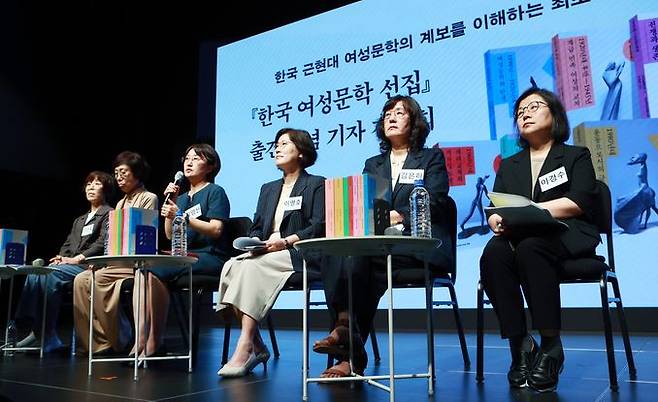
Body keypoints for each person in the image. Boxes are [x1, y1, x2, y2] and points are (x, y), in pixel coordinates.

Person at [314, 95, 452, 378]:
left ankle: (347, 345)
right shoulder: (373, 163)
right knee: (338, 253)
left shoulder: (430, 157)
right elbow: (365, 202)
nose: (391, 117)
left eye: (399, 112)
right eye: (387, 112)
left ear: (414, 121)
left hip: (417, 243)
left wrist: (398, 215)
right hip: (379, 245)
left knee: (363, 262)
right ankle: (346, 337)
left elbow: (436, 200)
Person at [480, 87, 600, 392]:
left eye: (533, 107)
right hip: (520, 235)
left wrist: (531, 211)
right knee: (493, 254)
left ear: (555, 114)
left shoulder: (575, 155)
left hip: (565, 232)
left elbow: (578, 202)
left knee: (532, 248)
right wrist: (495, 219)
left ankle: (550, 345)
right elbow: (496, 208)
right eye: (520, 112)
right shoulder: (509, 164)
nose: (525, 114)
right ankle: (520, 345)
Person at [216, 128, 324, 377]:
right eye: (276, 144)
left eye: (284, 144)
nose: (277, 148)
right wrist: (254, 241)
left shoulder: (316, 184)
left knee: (250, 267)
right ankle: (258, 345)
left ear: (301, 151)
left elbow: (318, 225)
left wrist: (285, 242)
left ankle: (245, 346)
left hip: (298, 252)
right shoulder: (268, 188)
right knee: (232, 265)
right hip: (267, 251)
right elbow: (257, 226)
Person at [131, 144, 231, 357]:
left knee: (156, 270)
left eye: (196, 158)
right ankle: (141, 338)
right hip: (184, 254)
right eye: (187, 158)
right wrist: (172, 208)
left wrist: (183, 216)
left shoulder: (215, 192)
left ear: (210, 166)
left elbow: (216, 229)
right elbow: (169, 235)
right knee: (143, 268)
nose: (189, 162)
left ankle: (155, 341)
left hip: (210, 255)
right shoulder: (182, 197)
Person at [14, 171, 114, 353]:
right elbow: (68, 244)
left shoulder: (110, 213)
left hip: (89, 265)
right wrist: (61, 257)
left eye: (97, 184)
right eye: (88, 184)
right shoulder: (79, 220)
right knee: (38, 272)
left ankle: (42, 331)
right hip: (71, 264)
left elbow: (102, 243)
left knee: (49, 275)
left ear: (106, 190)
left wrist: (76, 259)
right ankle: (40, 330)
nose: (91, 187)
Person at [73, 151, 158, 354]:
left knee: (97, 280)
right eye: (117, 173)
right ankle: (96, 342)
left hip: (135, 263)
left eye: (123, 172)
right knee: (80, 280)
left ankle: (119, 337)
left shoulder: (149, 198)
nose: (119, 177)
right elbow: (113, 240)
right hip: (117, 262)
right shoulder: (120, 204)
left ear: (136, 173)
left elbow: (143, 236)